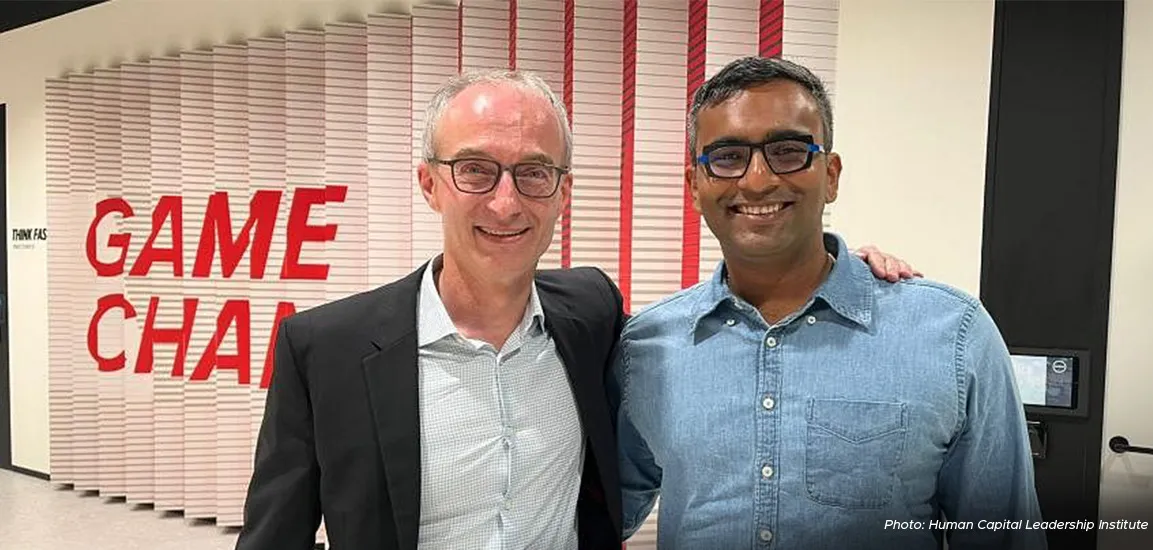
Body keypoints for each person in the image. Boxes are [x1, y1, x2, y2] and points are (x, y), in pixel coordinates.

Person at [235, 68, 915, 550]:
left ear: (563, 192)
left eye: (534, 172)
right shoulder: (324, 349)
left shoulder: (593, 313)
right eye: (476, 170)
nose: (507, 203)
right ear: (430, 183)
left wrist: (837, 268)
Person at [616, 56, 1045, 550]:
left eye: (787, 150)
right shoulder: (646, 347)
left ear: (832, 175)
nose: (756, 181)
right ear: (695, 185)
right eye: (729, 157)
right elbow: (596, 514)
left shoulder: (952, 336)